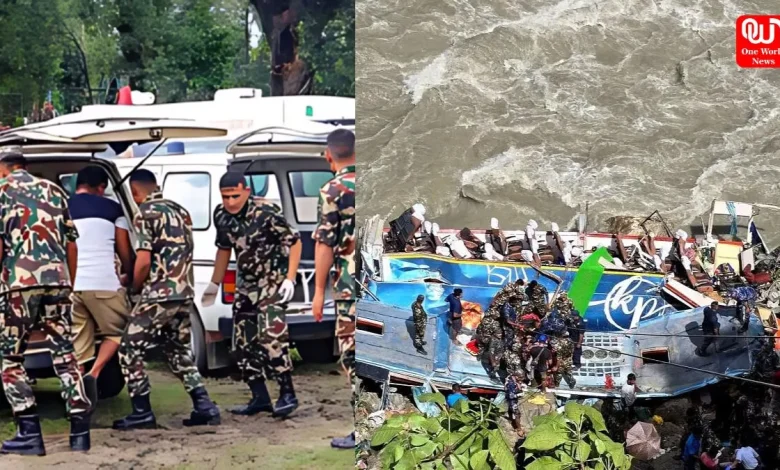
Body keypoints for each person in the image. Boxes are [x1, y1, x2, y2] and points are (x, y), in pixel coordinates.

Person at [0, 151, 93, 455]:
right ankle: (80, 432)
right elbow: (71, 242)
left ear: (4, 169)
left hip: (19, 284)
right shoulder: (55, 191)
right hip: (59, 281)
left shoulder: (1, 191)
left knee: (10, 358)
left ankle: (29, 431)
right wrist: (71, 282)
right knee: (66, 354)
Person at [113, 170, 220, 431]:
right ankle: (204, 405)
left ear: (135, 192)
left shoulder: (145, 213)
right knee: (177, 350)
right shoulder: (181, 211)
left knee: (129, 348)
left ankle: (141, 411)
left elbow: (144, 260)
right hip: (184, 294)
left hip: (159, 295)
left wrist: (134, 286)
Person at [203, 171, 300, 419]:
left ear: (246, 191)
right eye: (225, 197)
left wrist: (290, 277)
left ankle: (287, 393)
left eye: (235, 195)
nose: (230, 202)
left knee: (272, 337)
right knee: (243, 341)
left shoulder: (266, 212)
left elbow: (294, 241)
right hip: (246, 285)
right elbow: (224, 249)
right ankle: (259, 397)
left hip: (272, 282)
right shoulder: (222, 215)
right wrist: (214, 284)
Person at [308, 129, 356, 450]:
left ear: (329, 156)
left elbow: (325, 245)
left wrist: (318, 291)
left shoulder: (332, 191)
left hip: (350, 291)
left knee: (353, 356)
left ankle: (364, 427)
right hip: (386, 285)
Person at [68, 166, 133, 397]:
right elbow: (124, 248)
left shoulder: (63, 207)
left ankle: (77, 393)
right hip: (104, 284)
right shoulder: (114, 209)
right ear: (102, 188)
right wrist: (129, 272)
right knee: (120, 331)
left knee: (79, 344)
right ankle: (93, 374)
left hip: (74, 286)